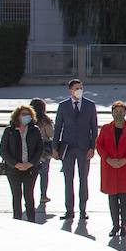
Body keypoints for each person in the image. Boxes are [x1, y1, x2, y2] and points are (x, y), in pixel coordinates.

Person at [53, 78, 99, 222]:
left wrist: (92, 147)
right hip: (67, 148)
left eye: (81, 88)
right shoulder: (63, 106)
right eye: (76, 88)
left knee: (83, 179)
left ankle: (83, 209)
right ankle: (69, 210)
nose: (79, 90)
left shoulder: (90, 105)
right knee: (68, 180)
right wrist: (55, 147)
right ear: (70, 90)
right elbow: (58, 128)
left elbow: (94, 128)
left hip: (84, 148)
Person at [97, 101, 126, 239]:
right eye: (116, 111)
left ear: (125, 112)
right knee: (112, 197)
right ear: (112, 113)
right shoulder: (105, 128)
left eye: (121, 111)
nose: (119, 114)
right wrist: (108, 159)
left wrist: (125, 159)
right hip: (110, 167)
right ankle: (115, 224)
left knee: (124, 197)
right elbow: (99, 145)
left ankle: (124, 225)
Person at [0, 103, 43, 222]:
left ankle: (31, 220)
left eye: (28, 114)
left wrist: (31, 163)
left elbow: (40, 149)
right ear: (17, 116)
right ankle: (17, 220)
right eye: (23, 114)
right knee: (16, 195)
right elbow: (3, 150)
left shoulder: (34, 130)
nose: (26, 116)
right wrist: (15, 164)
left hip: (30, 169)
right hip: (13, 169)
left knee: (29, 195)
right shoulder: (9, 131)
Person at [31, 98, 54, 207]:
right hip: (44, 149)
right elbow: (51, 134)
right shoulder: (45, 120)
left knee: (31, 173)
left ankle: (29, 194)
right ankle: (43, 195)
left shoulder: (29, 119)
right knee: (44, 173)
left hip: (31, 149)